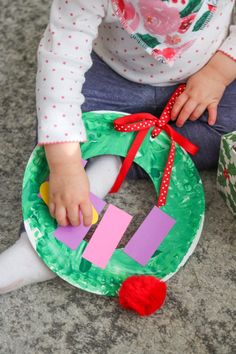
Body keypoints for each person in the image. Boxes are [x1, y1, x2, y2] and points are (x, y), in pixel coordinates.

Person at [0, 0, 236, 294]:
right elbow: (61, 61)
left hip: (204, 73)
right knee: (61, 134)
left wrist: (222, 68)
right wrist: (66, 164)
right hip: (110, 76)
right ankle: (38, 248)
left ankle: (119, 156)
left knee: (229, 128)